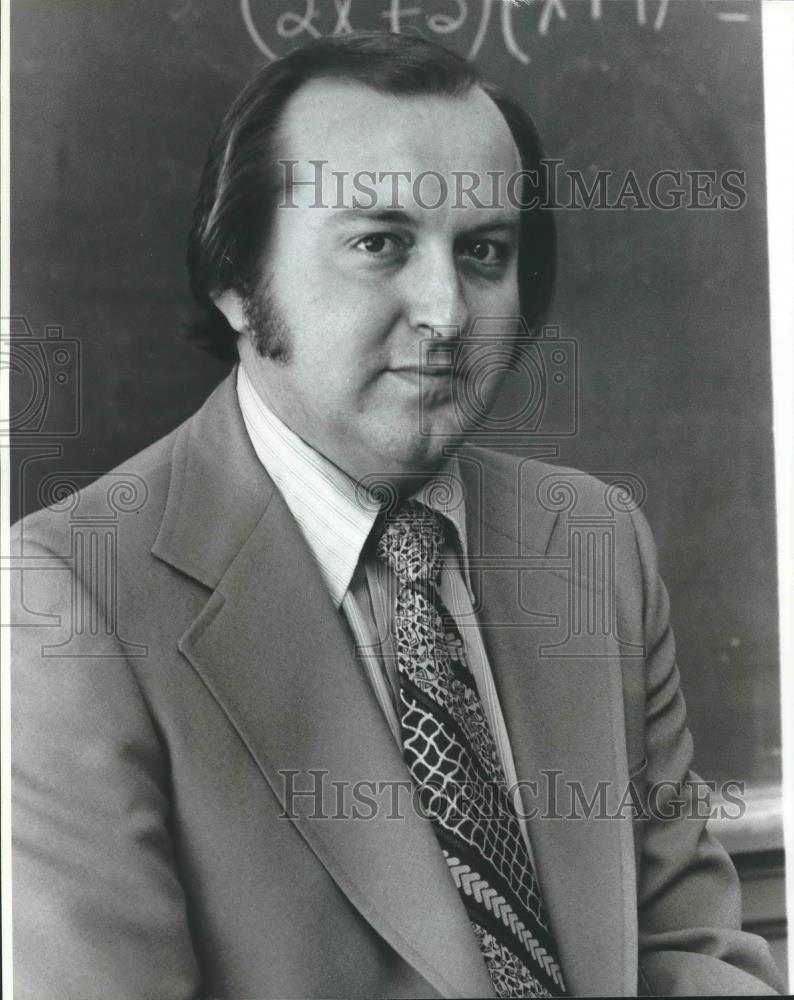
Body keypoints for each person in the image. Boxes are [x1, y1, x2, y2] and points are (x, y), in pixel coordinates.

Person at [10, 31, 782, 999]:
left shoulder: (596, 544)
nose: (446, 310)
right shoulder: (63, 605)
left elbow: (687, 954)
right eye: (379, 243)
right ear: (237, 283)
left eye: (484, 252)